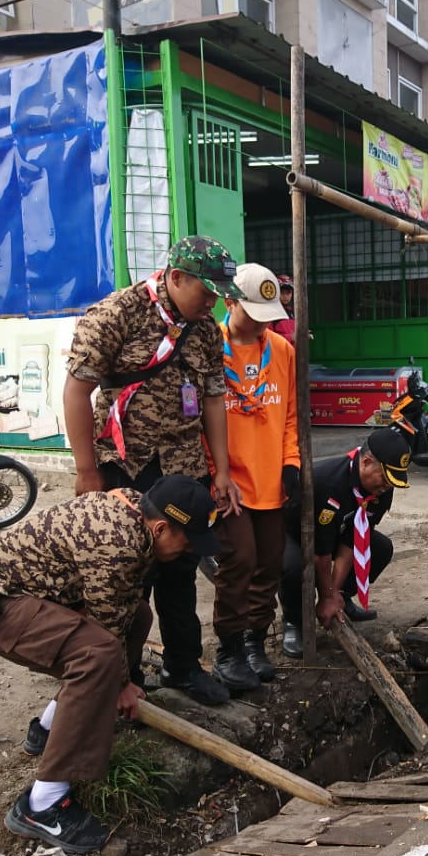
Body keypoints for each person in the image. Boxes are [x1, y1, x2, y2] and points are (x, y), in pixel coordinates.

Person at [0, 476, 220, 856]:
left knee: (140, 617)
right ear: (161, 527)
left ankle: (48, 728)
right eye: (188, 541)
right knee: (96, 655)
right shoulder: (118, 542)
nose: (189, 551)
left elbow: (121, 612)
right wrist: (119, 687)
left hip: (20, 593)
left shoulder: (135, 510)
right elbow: (105, 631)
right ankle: (43, 803)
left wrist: (119, 686)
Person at [63, 236, 243, 707]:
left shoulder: (205, 328)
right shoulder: (116, 314)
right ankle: (117, 674)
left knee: (181, 568)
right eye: (205, 293)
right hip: (124, 465)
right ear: (175, 277)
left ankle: (182, 667)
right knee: (124, 575)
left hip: (183, 465)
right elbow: (76, 393)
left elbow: (212, 399)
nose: (211, 304)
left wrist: (220, 470)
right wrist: (86, 472)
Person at [211, 263, 299, 690]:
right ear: (229, 302)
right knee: (239, 561)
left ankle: (254, 644)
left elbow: (291, 418)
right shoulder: (208, 348)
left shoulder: (282, 350)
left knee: (270, 563)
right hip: (227, 483)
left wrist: (291, 463)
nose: (264, 323)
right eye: (254, 312)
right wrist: (214, 475)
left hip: (271, 481)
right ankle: (228, 650)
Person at [278, 428, 410, 656]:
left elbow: (354, 540)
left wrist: (333, 592)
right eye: (385, 478)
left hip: (337, 531)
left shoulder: (382, 488)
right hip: (294, 532)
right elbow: (321, 552)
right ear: (366, 462)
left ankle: (343, 599)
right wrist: (326, 594)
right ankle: (294, 621)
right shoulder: (326, 481)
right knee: (293, 567)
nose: (387, 487)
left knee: (380, 548)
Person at [270, 275, 297, 345]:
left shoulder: (292, 312)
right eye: (282, 292)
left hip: (292, 353)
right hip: (278, 354)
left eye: (288, 293)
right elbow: (267, 338)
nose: (285, 296)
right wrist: (290, 337)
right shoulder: (270, 312)